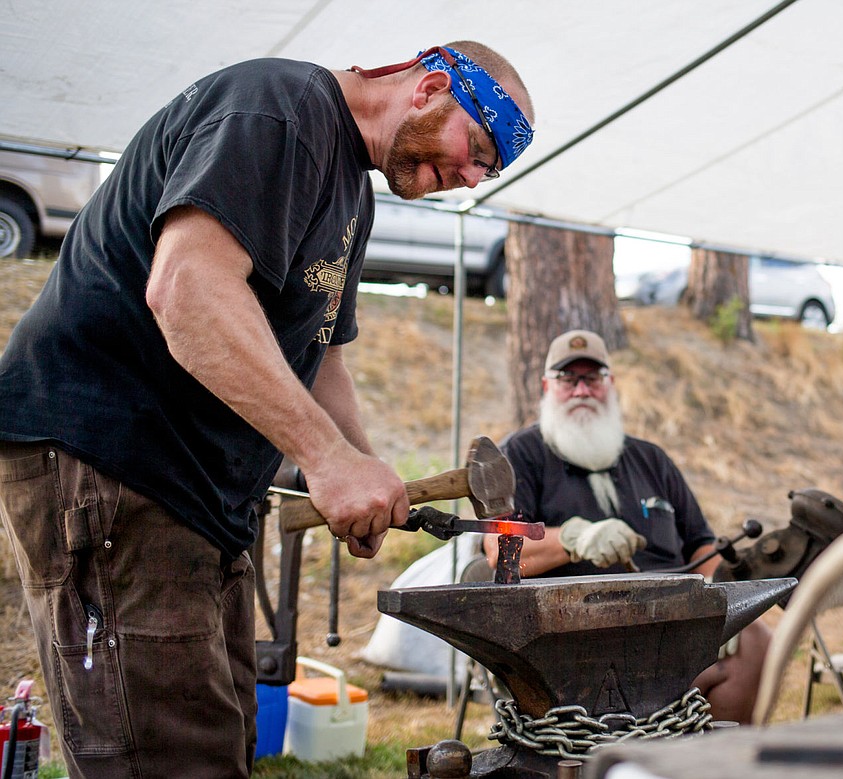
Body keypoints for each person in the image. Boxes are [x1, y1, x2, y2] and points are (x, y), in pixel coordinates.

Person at [0, 42, 534, 777]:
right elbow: (186, 288)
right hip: (113, 460)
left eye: (489, 171)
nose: (471, 177)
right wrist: (325, 458)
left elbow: (322, 357)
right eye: (476, 148)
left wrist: (361, 465)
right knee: (170, 758)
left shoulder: (353, 188)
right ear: (430, 87)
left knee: (220, 740)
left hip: (198, 492)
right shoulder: (282, 111)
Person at [483, 329, 770, 724]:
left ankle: (716, 761)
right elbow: (500, 554)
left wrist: (728, 600)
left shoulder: (652, 459)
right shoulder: (520, 454)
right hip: (574, 630)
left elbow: (701, 546)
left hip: (672, 622)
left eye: (593, 378)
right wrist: (574, 538)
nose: (581, 390)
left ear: (610, 385)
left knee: (756, 639)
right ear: (548, 386)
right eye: (568, 379)